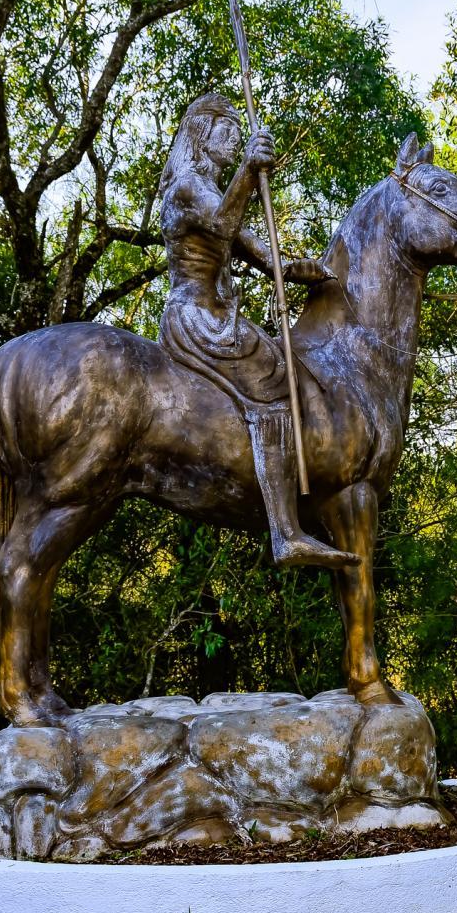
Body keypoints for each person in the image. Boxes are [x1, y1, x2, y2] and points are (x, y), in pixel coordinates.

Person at [158, 92, 357, 569]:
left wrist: (300, 269)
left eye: (237, 132)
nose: (235, 139)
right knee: (271, 373)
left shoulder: (211, 191)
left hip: (213, 311)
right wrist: (249, 169)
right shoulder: (187, 187)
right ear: (202, 134)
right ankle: (285, 532)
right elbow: (225, 225)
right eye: (226, 130)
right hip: (196, 313)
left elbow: (260, 253)